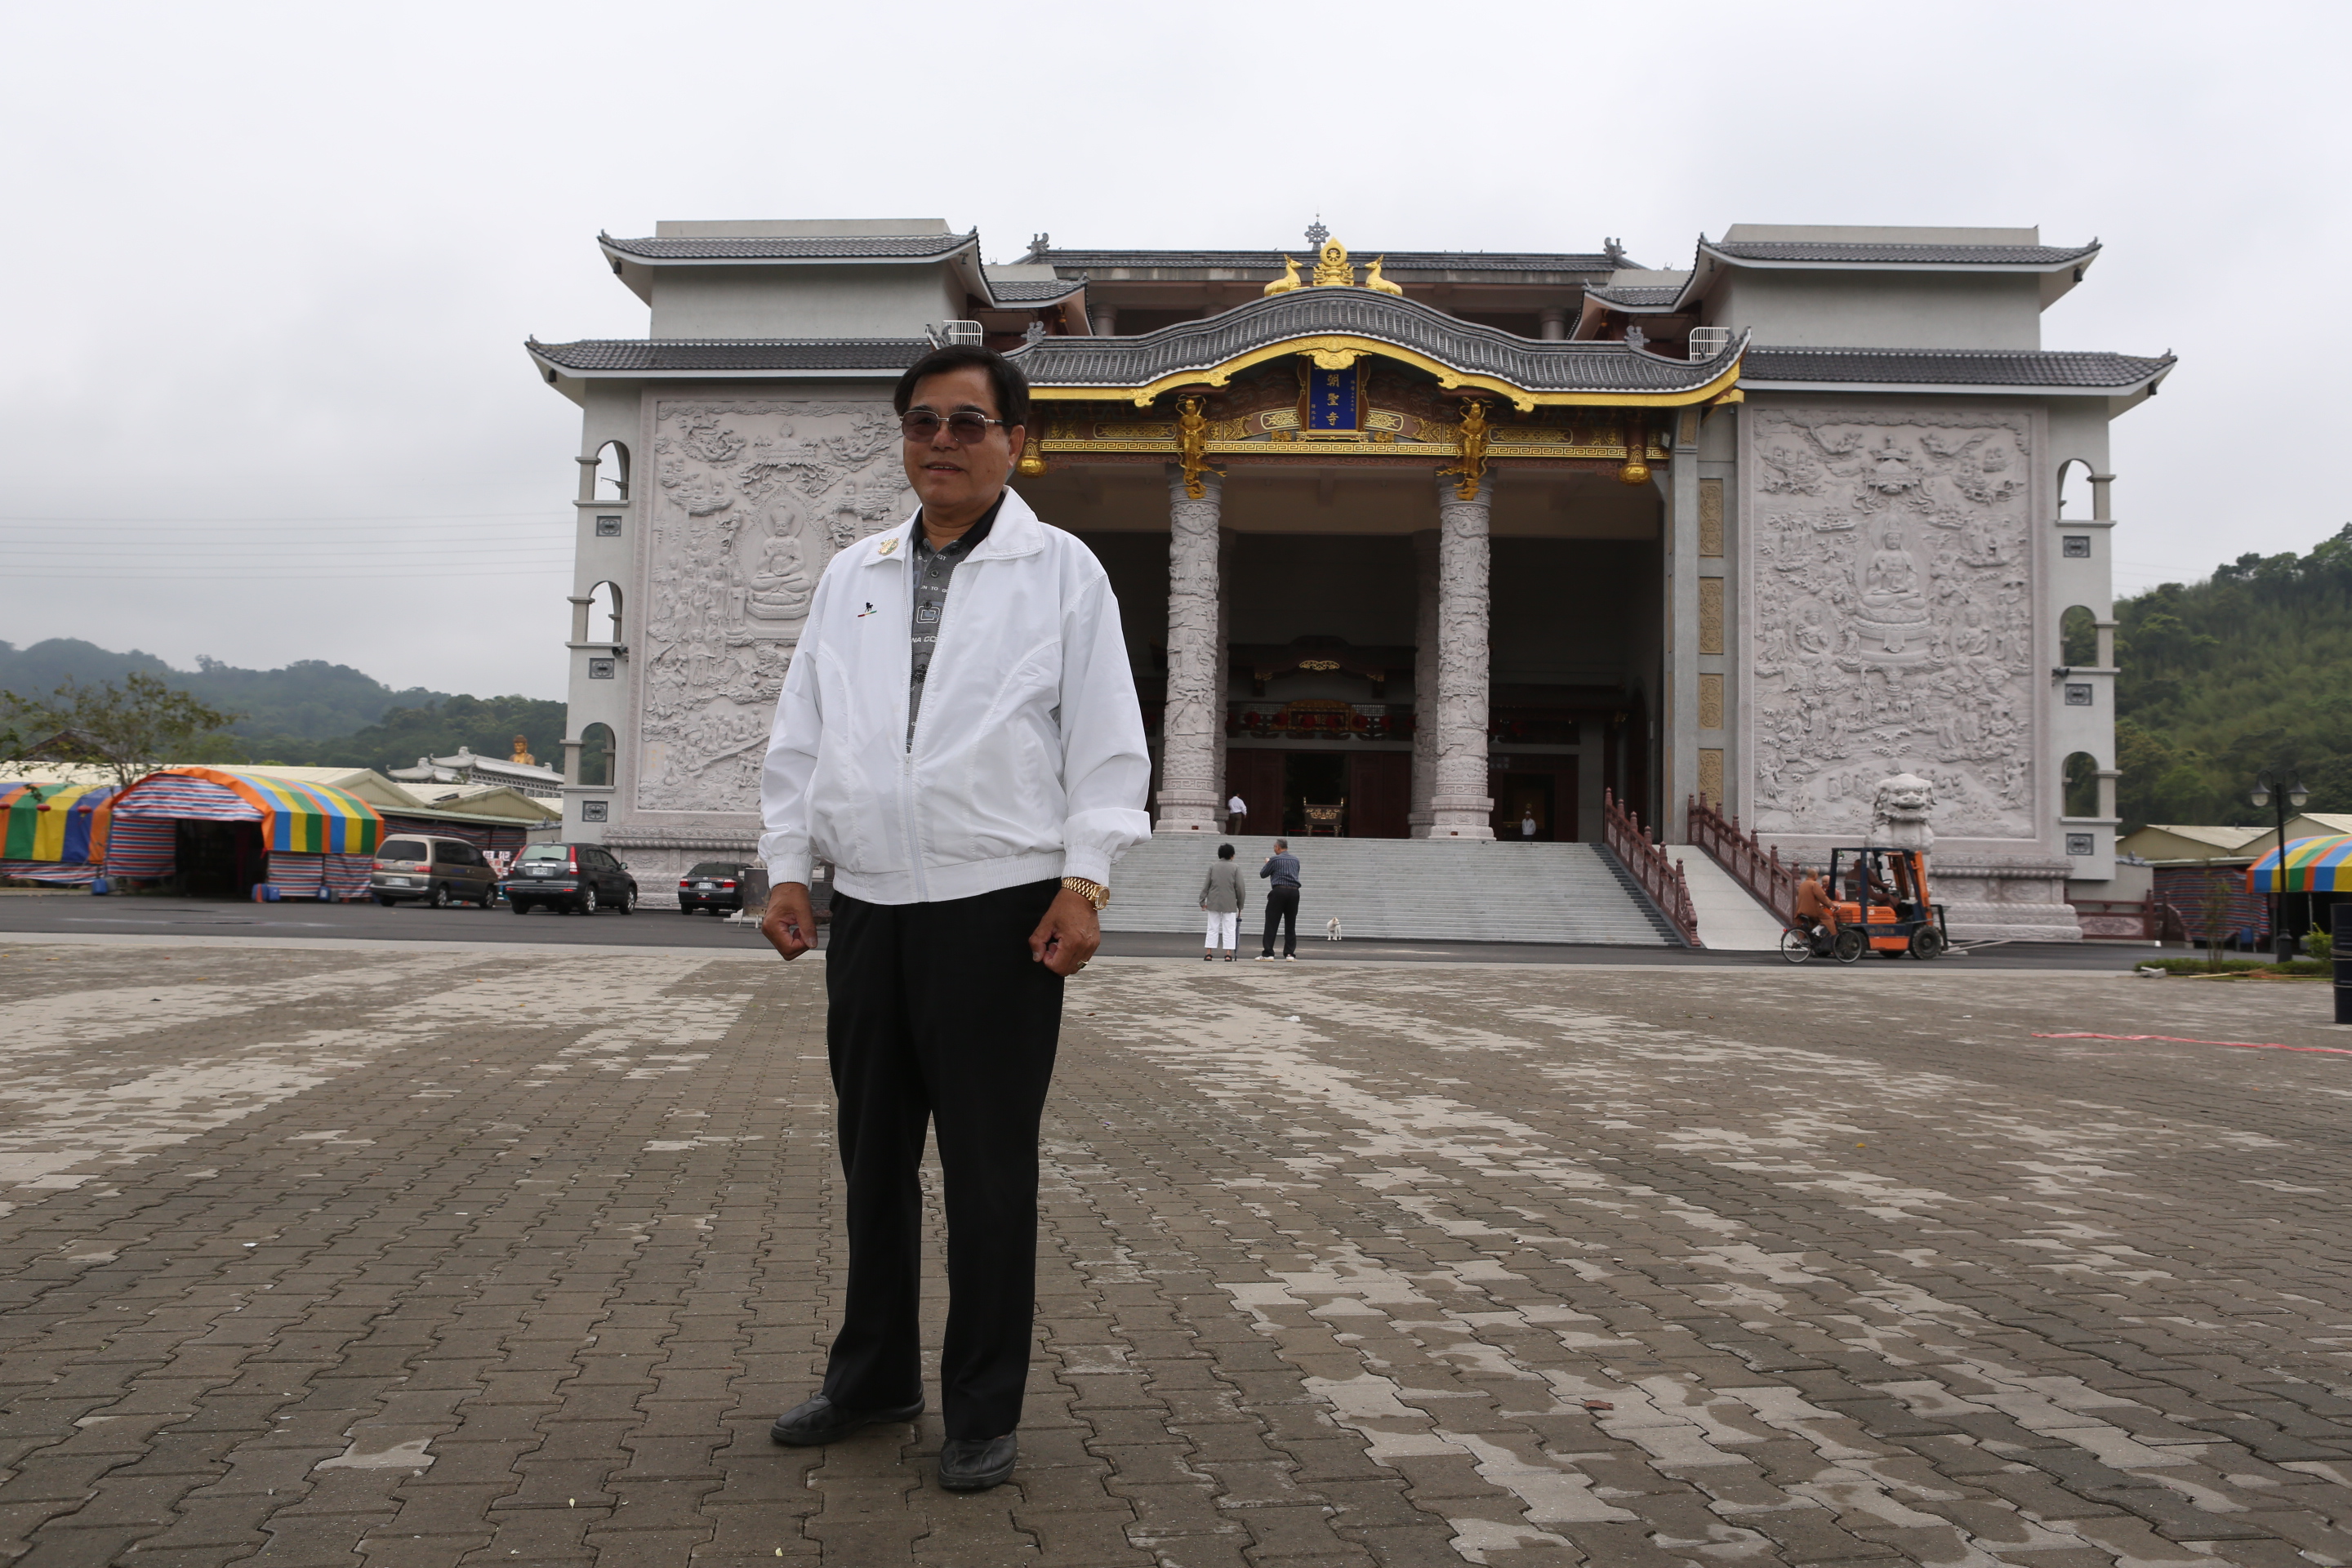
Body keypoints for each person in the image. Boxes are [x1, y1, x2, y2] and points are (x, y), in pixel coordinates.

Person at [756, 344, 1150, 1494]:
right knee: (872, 1164)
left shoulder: (1062, 571)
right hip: (873, 906)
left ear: (1015, 441)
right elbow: (802, 730)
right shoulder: (855, 574)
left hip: (1000, 908)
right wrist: (789, 867)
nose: (943, 442)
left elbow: (1105, 736)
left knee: (987, 1172)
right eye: (923, 422)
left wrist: (1086, 879)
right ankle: (873, 1379)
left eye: (968, 423)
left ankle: (982, 1407)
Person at [1200, 842, 1245, 962]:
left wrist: (1202, 900)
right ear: (1231, 855)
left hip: (1214, 901)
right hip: (1229, 902)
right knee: (1229, 928)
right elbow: (1240, 888)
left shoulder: (1213, 867)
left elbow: (1206, 885)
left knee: (1212, 927)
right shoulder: (1235, 868)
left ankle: (1209, 953)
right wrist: (1240, 904)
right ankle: (1228, 954)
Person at [1258, 838, 1301, 960]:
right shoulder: (1296, 860)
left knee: (1271, 923)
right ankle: (1289, 953)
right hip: (1294, 892)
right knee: (1290, 923)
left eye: (1274, 847)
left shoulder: (1274, 859)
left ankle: (1268, 953)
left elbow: (1263, 874)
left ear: (1278, 847)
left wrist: (1267, 863)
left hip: (1279, 891)